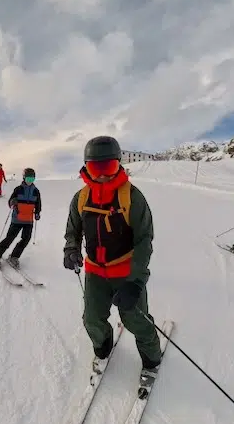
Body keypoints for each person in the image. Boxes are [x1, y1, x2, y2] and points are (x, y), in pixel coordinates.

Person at [62, 136, 163, 374]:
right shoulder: (81, 198)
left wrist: (136, 281)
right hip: (95, 271)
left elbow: (144, 241)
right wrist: (71, 249)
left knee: (136, 321)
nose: (102, 175)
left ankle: (152, 359)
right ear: (86, 167)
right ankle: (103, 346)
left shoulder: (132, 197)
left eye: (108, 167)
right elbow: (73, 230)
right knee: (92, 320)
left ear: (118, 164)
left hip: (126, 271)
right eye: (95, 168)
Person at [0, 167, 41, 268]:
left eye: (32, 179)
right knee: (10, 238)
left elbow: (38, 204)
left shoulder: (36, 191)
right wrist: (12, 203)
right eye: (28, 179)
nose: (30, 181)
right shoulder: (18, 189)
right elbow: (11, 200)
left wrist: (37, 213)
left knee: (26, 239)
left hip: (29, 221)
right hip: (17, 219)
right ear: (24, 178)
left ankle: (14, 257)